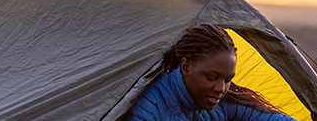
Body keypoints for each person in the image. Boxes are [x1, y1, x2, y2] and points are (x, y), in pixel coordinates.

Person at [124, 24, 298, 121]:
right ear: (185, 67)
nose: (221, 88)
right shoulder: (150, 105)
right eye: (211, 77)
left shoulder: (218, 101)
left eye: (228, 79)